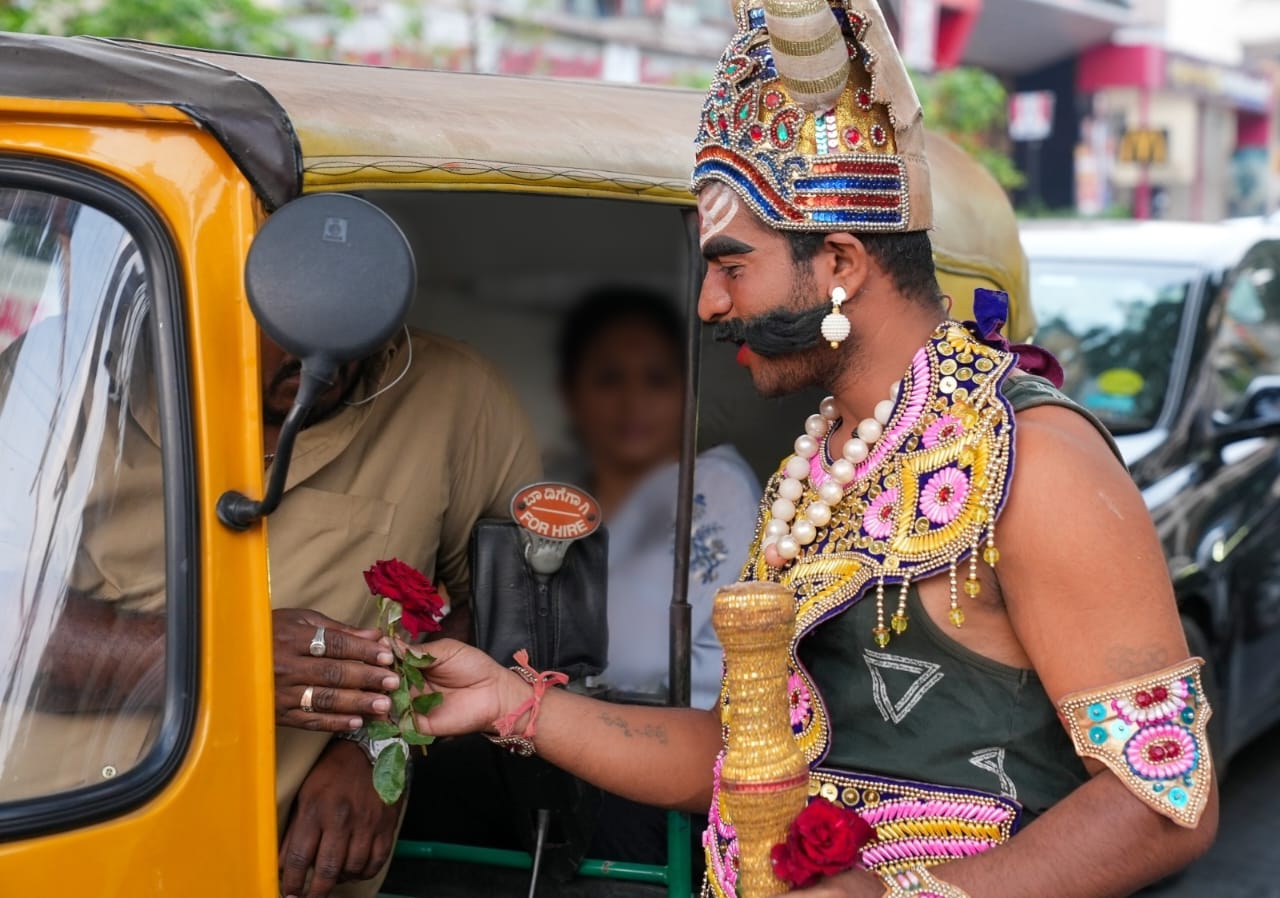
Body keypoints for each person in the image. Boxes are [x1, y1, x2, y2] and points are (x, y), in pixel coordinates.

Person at [407, 2, 1219, 897]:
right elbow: (740, 756)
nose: (710, 305)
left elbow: (1163, 795)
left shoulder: (1032, 458)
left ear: (838, 261)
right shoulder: (819, 459)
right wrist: (509, 703)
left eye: (730, 267)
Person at [1, 315, 541, 898]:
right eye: (291, 310)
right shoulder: (59, 367)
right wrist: (230, 660)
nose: (331, 346)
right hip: (44, 842)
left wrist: (383, 746)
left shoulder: (453, 397)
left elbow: (510, 613)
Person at [555, 286, 760, 710]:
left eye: (657, 380)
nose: (634, 403)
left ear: (688, 393)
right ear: (570, 392)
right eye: (610, 379)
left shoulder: (714, 488)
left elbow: (632, 657)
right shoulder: (563, 500)